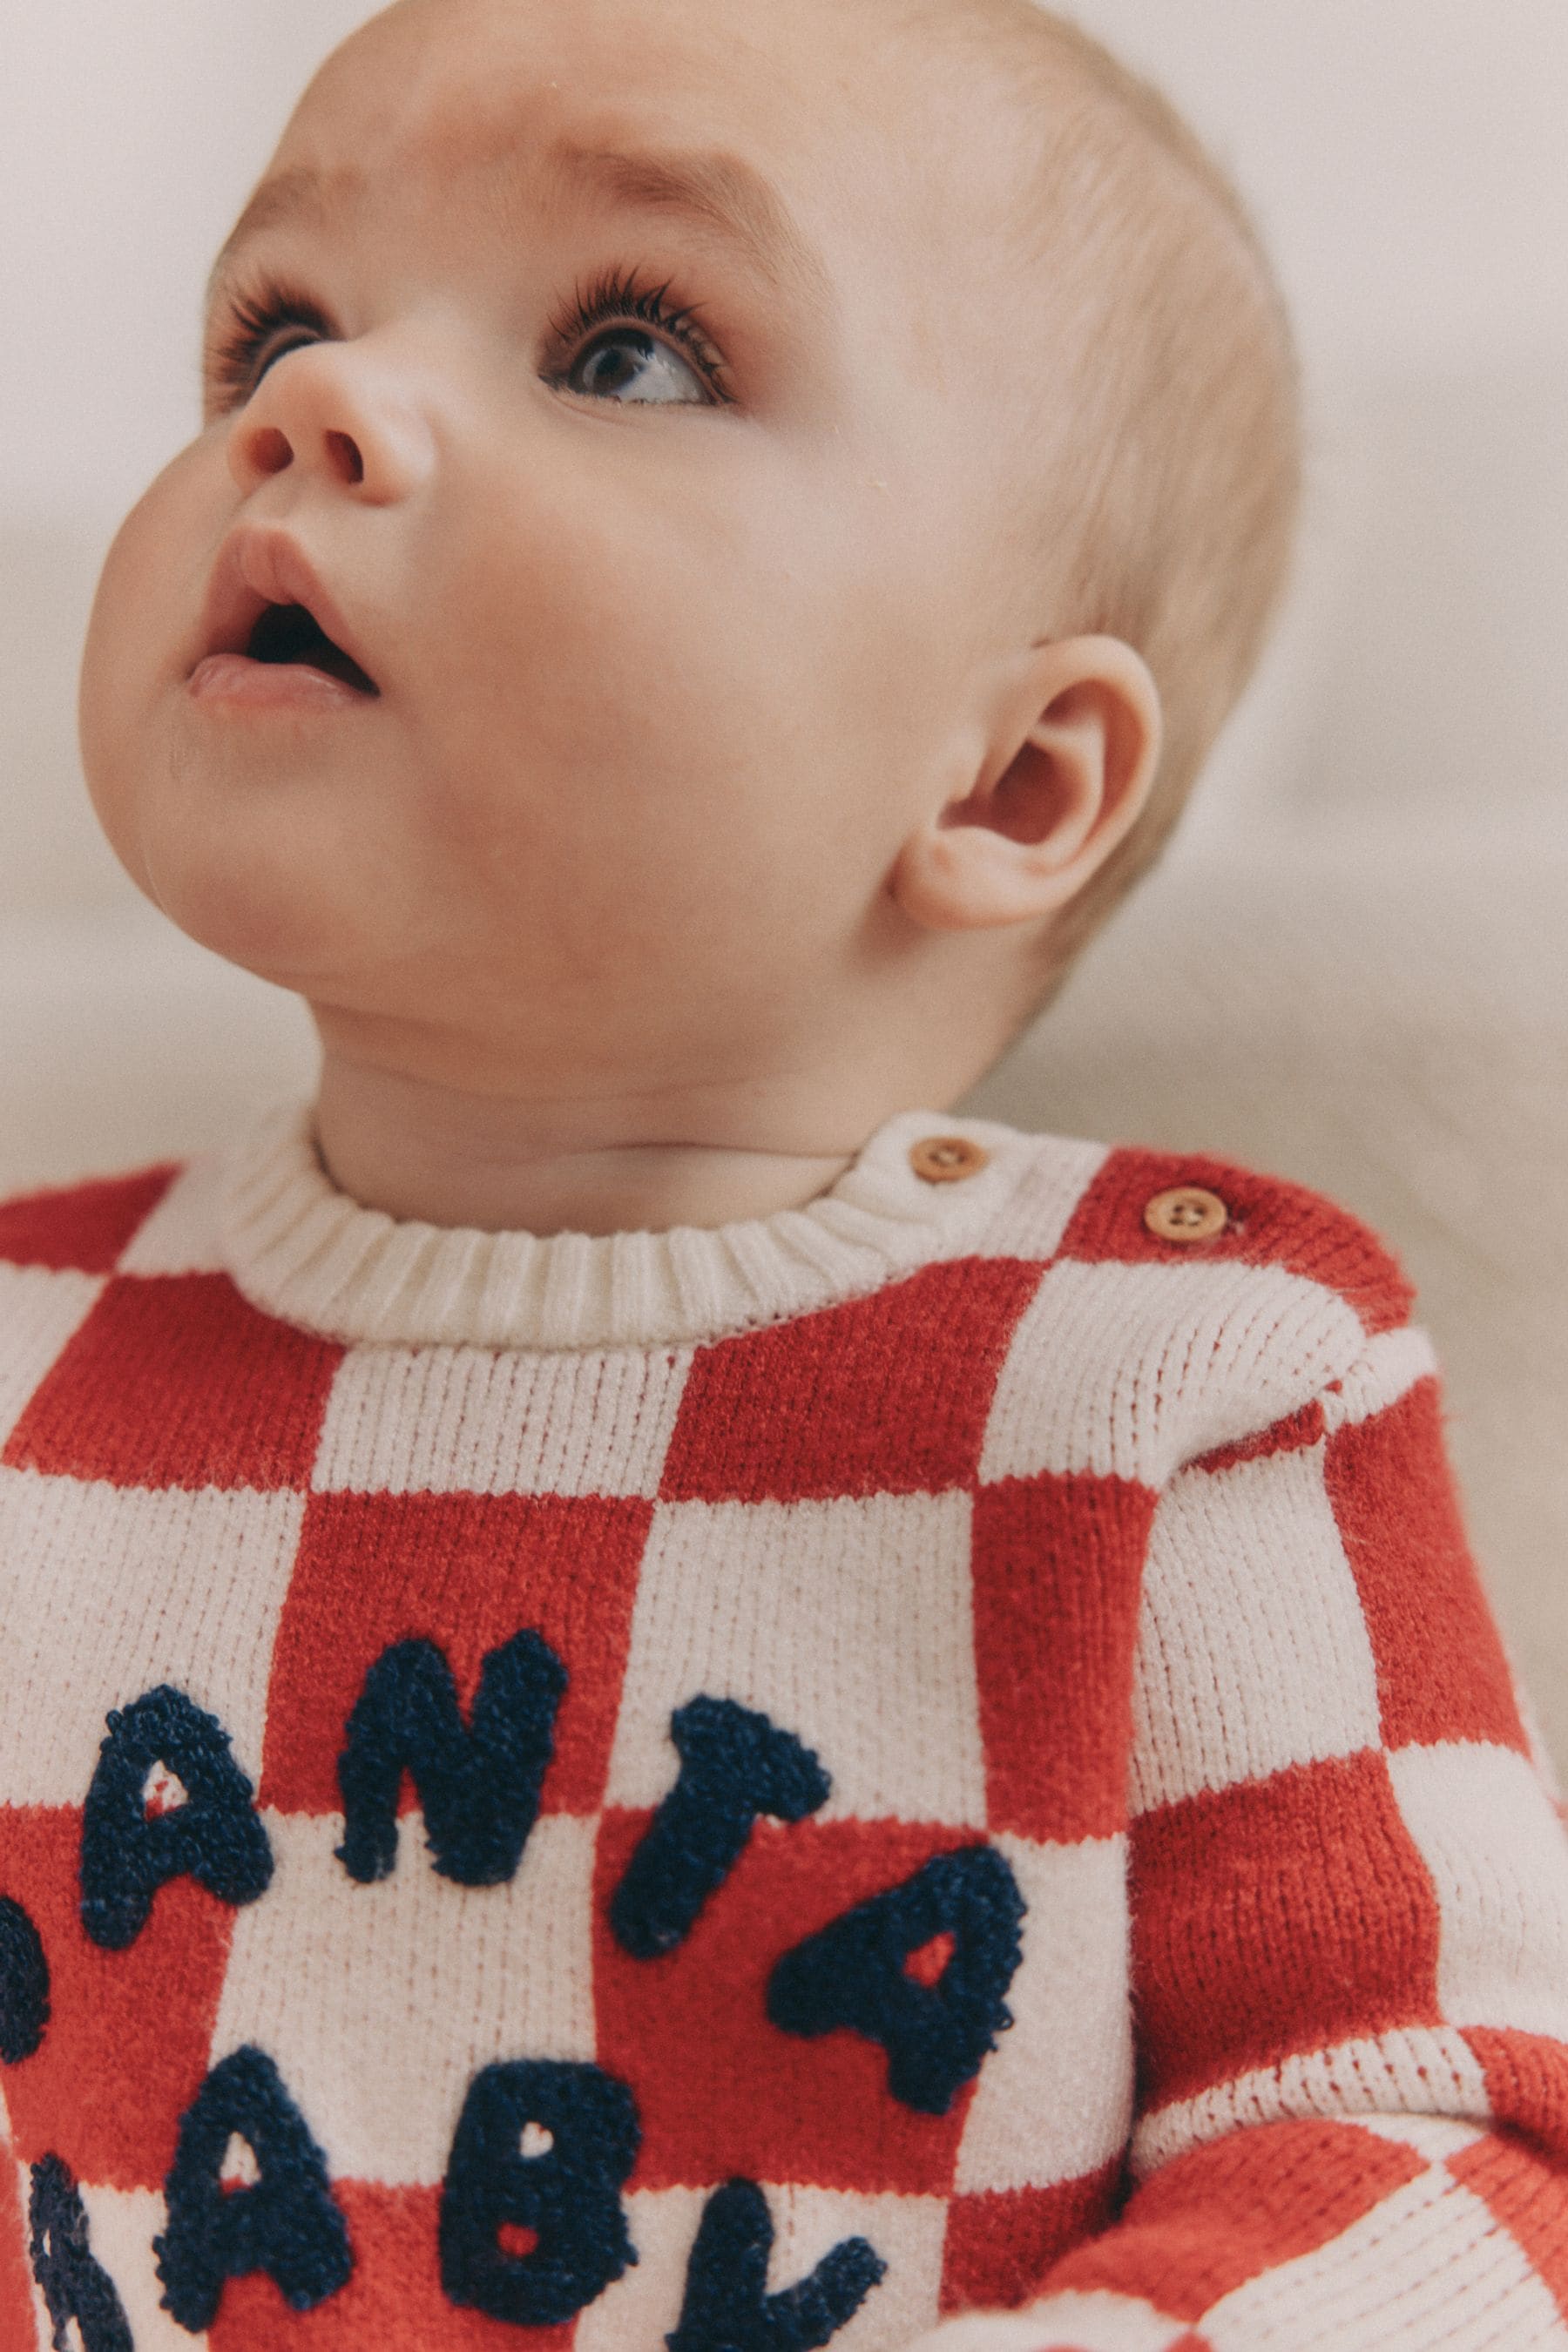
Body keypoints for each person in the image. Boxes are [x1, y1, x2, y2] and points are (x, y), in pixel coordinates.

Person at [2, 0, 1565, 2343]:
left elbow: (1451, 2144)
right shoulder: (35, 1362)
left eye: (626, 351)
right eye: (277, 326)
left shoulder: (1179, 1379)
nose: (309, 415)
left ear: (1017, 780)